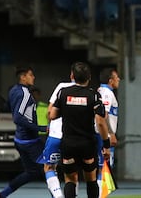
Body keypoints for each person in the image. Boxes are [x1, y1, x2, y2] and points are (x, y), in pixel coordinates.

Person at [49, 62, 110, 198]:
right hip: (87, 144)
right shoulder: (93, 95)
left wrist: (66, 110)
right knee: (91, 179)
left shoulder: (63, 93)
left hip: (68, 144)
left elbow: (52, 115)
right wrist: (106, 145)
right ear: (89, 77)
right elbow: (100, 122)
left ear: (72, 76)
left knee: (70, 179)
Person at [0, 66, 45, 198]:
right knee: (50, 168)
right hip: (31, 142)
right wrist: (41, 128)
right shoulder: (25, 93)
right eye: (31, 75)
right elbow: (18, 118)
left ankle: (1, 195)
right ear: (23, 77)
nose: (33, 77)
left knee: (32, 172)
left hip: (19, 140)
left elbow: (8, 107)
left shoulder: (13, 90)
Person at [36, 66, 76, 198]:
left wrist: (49, 124)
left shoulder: (62, 87)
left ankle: (58, 195)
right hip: (75, 138)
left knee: (49, 167)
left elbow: (49, 111)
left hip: (56, 135)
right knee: (71, 171)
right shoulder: (90, 92)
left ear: (71, 75)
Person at [95, 68, 120, 196]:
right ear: (111, 80)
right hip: (103, 135)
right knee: (104, 168)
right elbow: (103, 115)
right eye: (117, 77)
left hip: (98, 134)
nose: (119, 79)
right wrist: (111, 134)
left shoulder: (100, 90)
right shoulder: (107, 93)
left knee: (100, 168)